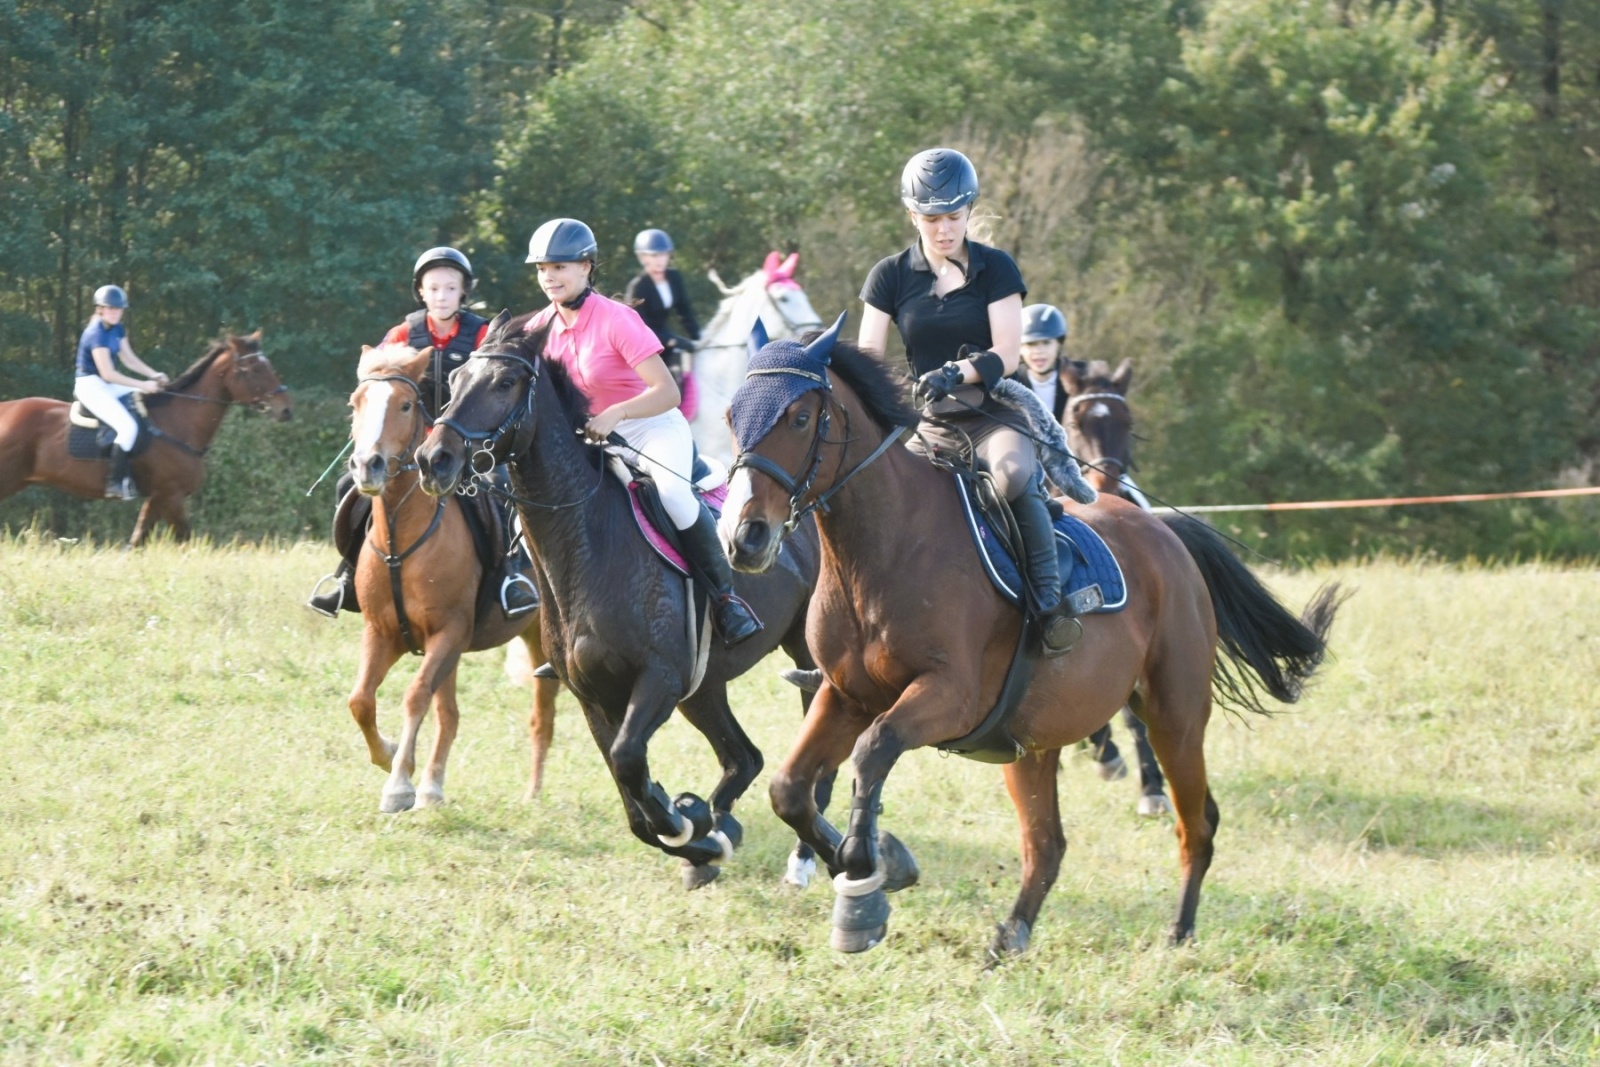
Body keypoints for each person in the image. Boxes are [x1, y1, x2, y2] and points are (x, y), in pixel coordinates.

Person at [858, 148, 1075, 656]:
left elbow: (1008, 353)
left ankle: (1048, 606)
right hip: (930, 425)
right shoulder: (888, 277)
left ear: (968, 211)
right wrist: (896, 398)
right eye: (932, 218)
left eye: (954, 216)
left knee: (1014, 478)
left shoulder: (996, 269)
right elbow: (868, 357)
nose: (944, 229)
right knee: (873, 505)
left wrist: (956, 371)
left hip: (991, 415)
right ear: (913, 215)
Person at [523, 217, 760, 646]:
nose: (549, 277)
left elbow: (666, 392)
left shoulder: (619, 319)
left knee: (671, 494)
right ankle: (567, 628)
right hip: (590, 439)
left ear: (586, 266)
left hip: (651, 426)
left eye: (558, 266)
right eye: (542, 268)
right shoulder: (537, 329)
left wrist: (616, 414)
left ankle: (726, 601)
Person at [308, 247, 539, 618]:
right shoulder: (403, 333)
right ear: (422, 292)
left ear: (463, 291)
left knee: (500, 488)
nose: (442, 296)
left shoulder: (481, 333)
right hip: (406, 446)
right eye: (434, 289)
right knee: (346, 487)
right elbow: (374, 374)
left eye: (451, 288)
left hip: (465, 445)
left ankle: (510, 579)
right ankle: (349, 576)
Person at [73, 284, 168, 500]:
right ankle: (114, 483)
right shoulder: (95, 333)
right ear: (100, 309)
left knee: (144, 398)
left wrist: (154, 375)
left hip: (105, 383)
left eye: (119, 309)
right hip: (91, 385)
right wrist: (143, 384)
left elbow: (129, 359)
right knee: (127, 427)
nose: (116, 312)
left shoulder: (117, 328)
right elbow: (108, 374)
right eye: (111, 308)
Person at [623, 228, 701, 420]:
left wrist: (699, 338)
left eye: (664, 255)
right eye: (654, 255)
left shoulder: (674, 278)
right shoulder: (639, 286)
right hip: (645, 346)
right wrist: (673, 341)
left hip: (666, 338)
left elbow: (685, 311)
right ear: (642, 258)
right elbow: (640, 327)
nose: (660, 260)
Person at [1013, 303, 1070, 424]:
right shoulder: (1009, 382)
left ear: (1058, 344)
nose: (1038, 351)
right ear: (1020, 347)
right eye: (1030, 344)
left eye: (1046, 343)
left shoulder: (1081, 379)